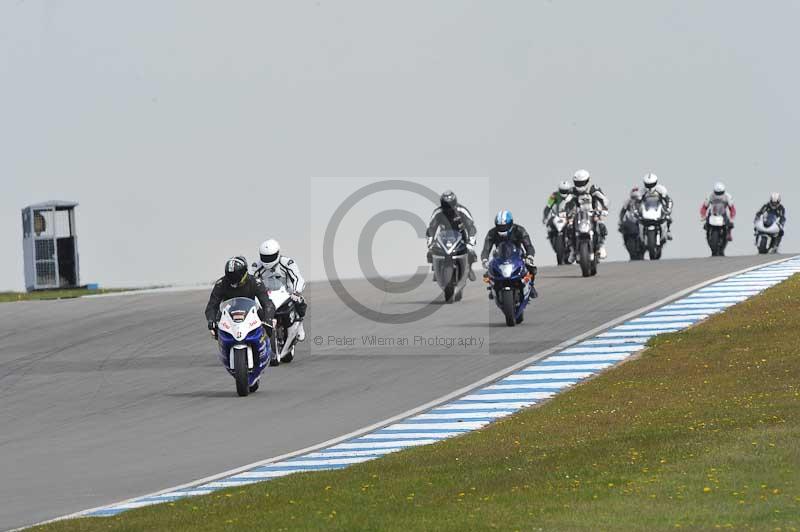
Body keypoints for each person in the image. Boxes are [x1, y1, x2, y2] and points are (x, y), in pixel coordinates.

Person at [205, 256, 276, 340]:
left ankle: (268, 347)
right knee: (215, 329)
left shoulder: (255, 282)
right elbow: (212, 306)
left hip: (251, 312)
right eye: (230, 277)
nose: (233, 281)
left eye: (236, 277)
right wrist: (211, 320)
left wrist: (268, 319)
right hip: (228, 313)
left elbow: (267, 302)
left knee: (269, 326)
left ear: (245, 273)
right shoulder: (221, 284)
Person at [253, 239, 307, 341]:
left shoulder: (287, 263)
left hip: (287, 293)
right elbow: (252, 281)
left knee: (300, 301)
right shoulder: (256, 266)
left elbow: (298, 278)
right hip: (267, 295)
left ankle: (300, 323)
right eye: (265, 257)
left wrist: (296, 292)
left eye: (270, 257)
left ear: (278, 253)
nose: (267, 260)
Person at [481, 210, 538, 298]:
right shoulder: (492, 233)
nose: (502, 229)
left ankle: (531, 285)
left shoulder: (519, 230)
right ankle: (493, 288)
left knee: (531, 268)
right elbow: (486, 248)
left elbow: (529, 245)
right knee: (487, 273)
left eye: (504, 226)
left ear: (511, 223)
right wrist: (484, 260)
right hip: (500, 257)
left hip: (518, 256)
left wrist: (529, 256)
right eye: (499, 226)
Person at [426, 190, 478, 281]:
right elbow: (431, 228)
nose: (449, 208)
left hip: (461, 237)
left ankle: (469, 268)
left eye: (450, 204)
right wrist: (430, 242)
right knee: (431, 252)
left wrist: (471, 242)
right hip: (444, 238)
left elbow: (471, 227)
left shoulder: (462, 210)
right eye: (446, 205)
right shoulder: (438, 212)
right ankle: (436, 269)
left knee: (470, 252)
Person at [561, 169, 610, 260]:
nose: (580, 185)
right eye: (578, 183)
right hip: (578, 215)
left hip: (593, 213)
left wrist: (604, 209)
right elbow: (565, 202)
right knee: (569, 227)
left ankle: (601, 247)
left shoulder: (594, 189)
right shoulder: (572, 191)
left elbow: (604, 199)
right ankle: (572, 250)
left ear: (587, 181)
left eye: (582, 183)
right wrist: (563, 211)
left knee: (601, 224)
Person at [640, 173, 674, 240]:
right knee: (637, 220)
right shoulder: (642, 191)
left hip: (658, 208)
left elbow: (668, 200)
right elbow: (638, 202)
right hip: (647, 210)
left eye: (651, 184)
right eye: (647, 185)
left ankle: (668, 231)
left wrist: (668, 209)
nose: (649, 187)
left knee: (668, 218)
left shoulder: (660, 189)